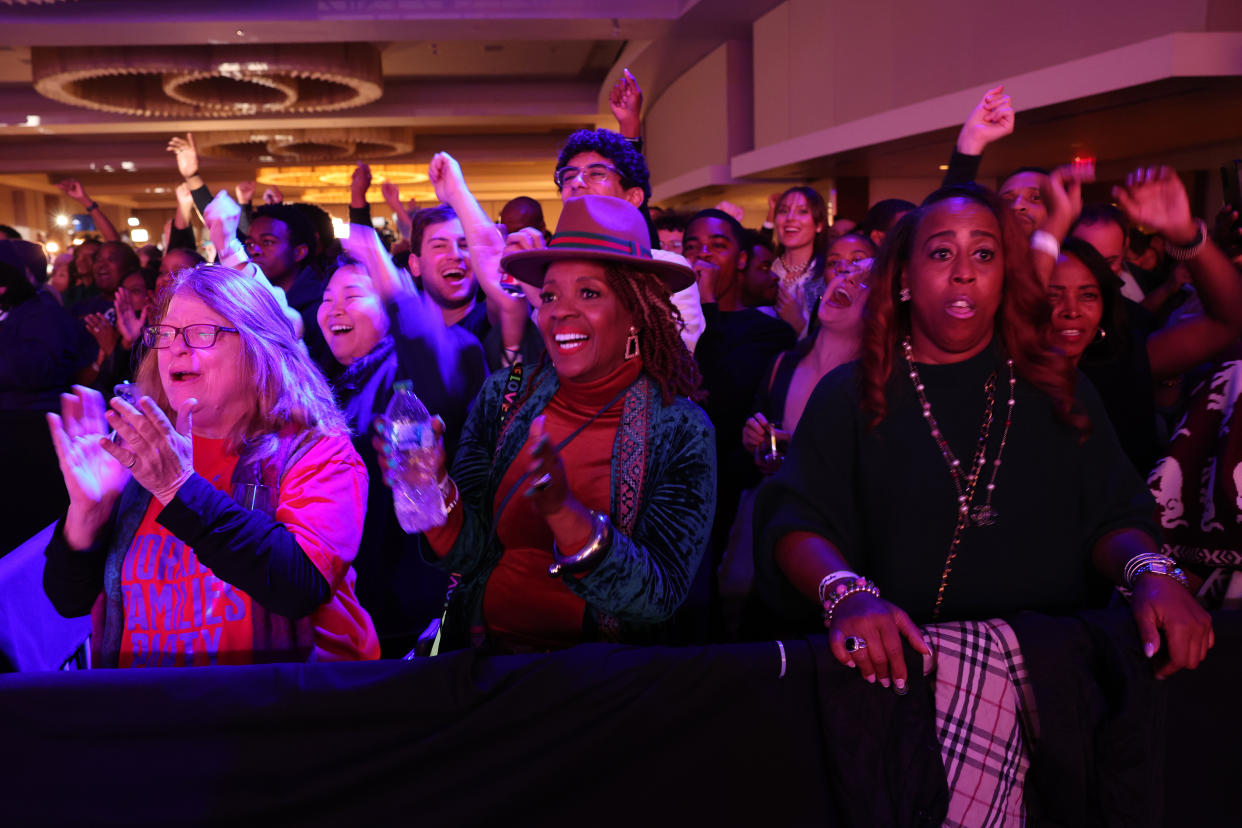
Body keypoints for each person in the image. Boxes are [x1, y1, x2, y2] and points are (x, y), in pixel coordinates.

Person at [753, 184, 1212, 690]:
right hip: (897, 674)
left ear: (1004, 277)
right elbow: (795, 520)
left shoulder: (1057, 387)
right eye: (942, 252)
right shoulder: (851, 393)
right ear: (905, 275)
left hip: (1053, 674)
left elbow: (1112, 515)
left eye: (985, 254)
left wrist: (1149, 572)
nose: (965, 271)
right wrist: (846, 593)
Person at [378, 195, 715, 653]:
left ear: (635, 311)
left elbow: (658, 597)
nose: (560, 311)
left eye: (589, 293)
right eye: (551, 295)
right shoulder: (505, 394)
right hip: (482, 664)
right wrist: (435, 489)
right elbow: (470, 555)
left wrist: (564, 512)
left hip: (602, 687)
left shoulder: (681, 428)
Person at [43, 263, 379, 666]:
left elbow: (299, 587)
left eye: (202, 333)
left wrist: (178, 489)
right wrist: (87, 517)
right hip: (151, 709)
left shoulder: (317, 451)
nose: (177, 348)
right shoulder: (138, 446)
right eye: (165, 334)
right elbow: (68, 601)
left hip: (283, 712)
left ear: (260, 348)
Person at [318, 194, 489, 657]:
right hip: (357, 596)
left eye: (353, 296)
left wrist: (387, 278)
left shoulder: (420, 361)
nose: (334, 310)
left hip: (412, 598)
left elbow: (437, 371)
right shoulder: (339, 383)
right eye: (326, 299)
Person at [1048, 167, 1242, 473]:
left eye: (1088, 293)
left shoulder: (1127, 337)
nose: (1072, 308)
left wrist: (1185, 235)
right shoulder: (1011, 348)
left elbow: (1228, 321)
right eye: (1054, 294)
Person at [769, 186, 830, 337]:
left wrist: (799, 325)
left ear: (819, 225)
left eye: (802, 211)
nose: (790, 218)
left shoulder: (828, 276)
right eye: (783, 211)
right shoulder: (765, 270)